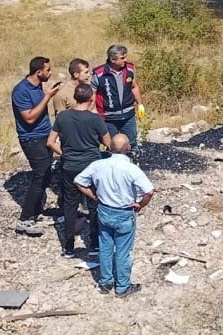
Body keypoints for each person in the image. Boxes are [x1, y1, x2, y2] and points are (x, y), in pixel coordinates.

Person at [75, 134, 154, 297]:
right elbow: (149, 191)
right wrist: (140, 204)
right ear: (128, 149)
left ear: (109, 148)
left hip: (104, 210)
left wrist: (94, 196)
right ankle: (122, 286)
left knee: (105, 248)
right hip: (124, 212)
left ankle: (105, 282)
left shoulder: (98, 165)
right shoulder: (131, 169)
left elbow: (78, 181)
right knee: (123, 251)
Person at [48, 82, 111, 261]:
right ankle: (95, 245)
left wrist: (65, 154)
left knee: (69, 205)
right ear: (91, 98)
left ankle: (69, 247)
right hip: (92, 166)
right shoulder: (95, 119)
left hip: (69, 166)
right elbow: (108, 142)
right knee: (94, 204)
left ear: (75, 98)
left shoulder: (63, 117)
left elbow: (51, 142)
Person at [12, 56, 61, 237]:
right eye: (48, 70)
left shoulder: (37, 85)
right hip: (31, 139)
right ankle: (24, 219)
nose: (51, 72)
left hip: (44, 135)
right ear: (38, 72)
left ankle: (36, 213)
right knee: (40, 174)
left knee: (46, 173)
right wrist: (48, 96)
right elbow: (30, 118)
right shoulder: (21, 91)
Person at [91, 45, 145, 151]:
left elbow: (134, 87)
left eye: (125, 57)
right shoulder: (99, 73)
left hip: (128, 115)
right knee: (112, 145)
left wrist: (140, 104)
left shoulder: (129, 69)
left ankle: (133, 165)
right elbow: (93, 94)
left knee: (131, 143)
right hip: (109, 117)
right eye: (122, 58)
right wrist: (93, 111)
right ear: (112, 59)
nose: (125, 60)